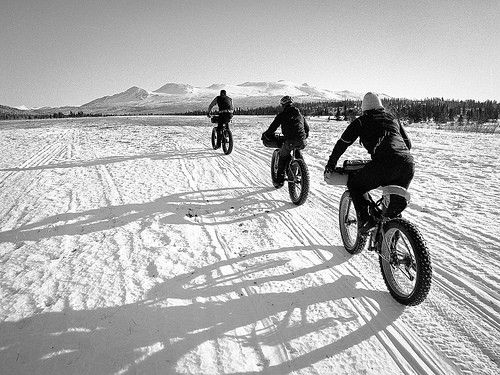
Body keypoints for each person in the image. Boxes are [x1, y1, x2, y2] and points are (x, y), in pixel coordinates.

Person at [324, 92, 414, 233]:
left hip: (384, 164)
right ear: (380, 106)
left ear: (364, 108)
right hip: (407, 164)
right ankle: (391, 244)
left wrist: (331, 164)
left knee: (356, 184)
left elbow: (342, 143)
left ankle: (367, 220)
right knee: (393, 208)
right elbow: (408, 144)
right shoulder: (393, 119)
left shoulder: (361, 121)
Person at [262, 95, 309, 185]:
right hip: (302, 141)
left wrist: (266, 135)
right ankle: (302, 171)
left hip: (290, 141)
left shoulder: (282, 115)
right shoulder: (300, 115)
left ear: (283, 105)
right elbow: (307, 129)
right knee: (297, 150)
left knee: (283, 157)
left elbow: (272, 128)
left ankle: (279, 180)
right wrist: (303, 136)